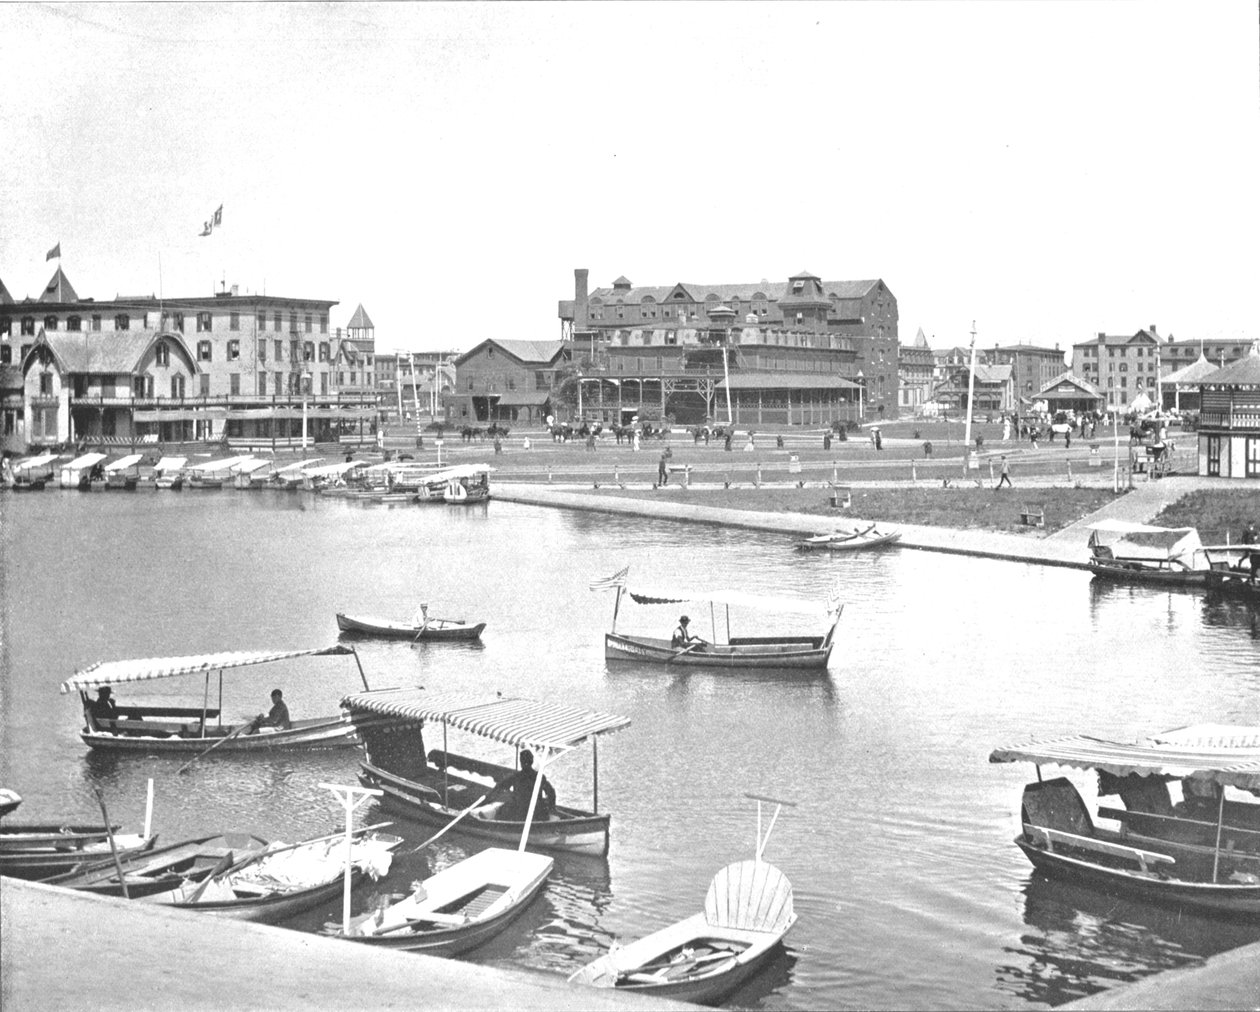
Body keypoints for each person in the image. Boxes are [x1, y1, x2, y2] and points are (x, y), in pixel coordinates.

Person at [490, 749, 555, 822]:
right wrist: (551, 809)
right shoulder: (539, 776)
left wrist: (489, 796)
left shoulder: (516, 776)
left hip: (519, 812)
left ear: (521, 762)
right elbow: (551, 793)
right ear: (532, 761)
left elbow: (500, 786)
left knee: (501, 811)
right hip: (536, 812)